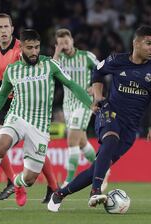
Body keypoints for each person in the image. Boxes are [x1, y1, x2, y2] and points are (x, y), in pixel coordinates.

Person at [47, 25, 151, 212]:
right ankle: (95, 191)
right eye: (148, 43)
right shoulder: (116, 60)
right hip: (109, 113)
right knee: (110, 139)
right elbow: (98, 71)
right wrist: (98, 95)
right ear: (136, 43)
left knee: (96, 169)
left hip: (130, 127)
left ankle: (60, 194)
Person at [0, 29, 92, 207]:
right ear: (21, 48)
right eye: (29, 48)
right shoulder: (13, 70)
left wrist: (92, 104)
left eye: (37, 47)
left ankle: (17, 184)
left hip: (39, 126)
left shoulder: (50, 65)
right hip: (17, 117)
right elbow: (1, 96)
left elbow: (72, 84)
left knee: (30, 178)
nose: (34, 52)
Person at [0, 13, 58, 201]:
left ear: (12, 29)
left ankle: (51, 186)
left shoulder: (23, 48)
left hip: (24, 103)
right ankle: (14, 182)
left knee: (35, 145)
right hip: (5, 101)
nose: (3, 31)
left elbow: (38, 65)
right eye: (0, 28)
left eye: (6, 27)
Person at [43, 28, 109, 204]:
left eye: (66, 41)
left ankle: (68, 181)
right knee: (81, 141)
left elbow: (102, 70)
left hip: (85, 102)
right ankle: (102, 169)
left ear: (72, 40)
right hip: (68, 104)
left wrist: (94, 89)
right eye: (61, 42)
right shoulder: (59, 59)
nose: (65, 45)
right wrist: (56, 52)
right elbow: (49, 73)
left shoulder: (86, 56)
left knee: (72, 139)